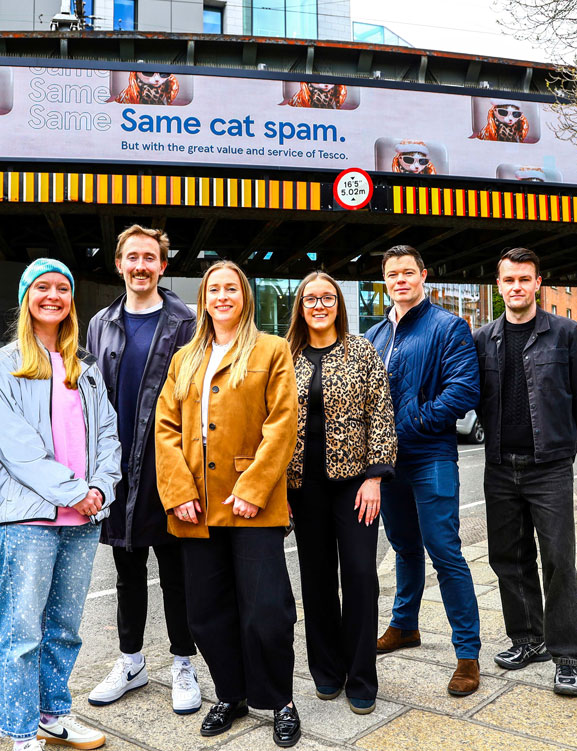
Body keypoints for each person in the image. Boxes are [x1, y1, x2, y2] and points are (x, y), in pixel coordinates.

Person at [154, 261, 301, 747]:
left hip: (252, 506)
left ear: (245, 297)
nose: (222, 296)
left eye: (230, 288)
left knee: (267, 611)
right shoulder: (184, 358)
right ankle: (231, 695)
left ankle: (280, 700)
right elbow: (165, 429)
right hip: (196, 508)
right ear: (203, 299)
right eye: (213, 289)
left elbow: (282, 425)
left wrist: (253, 488)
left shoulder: (272, 350)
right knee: (206, 612)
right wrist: (178, 492)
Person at [0, 258, 121, 751]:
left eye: (62, 288)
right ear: (27, 298)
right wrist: (75, 492)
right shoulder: (6, 364)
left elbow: (108, 435)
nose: (53, 296)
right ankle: (22, 733)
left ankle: (53, 716)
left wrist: (100, 488)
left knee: (64, 628)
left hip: (82, 518)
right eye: (42, 287)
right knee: (22, 632)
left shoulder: (84, 367)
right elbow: (14, 446)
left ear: (71, 301)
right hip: (27, 518)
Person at [85, 225, 201, 714]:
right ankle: (131, 662)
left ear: (162, 265)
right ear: (118, 264)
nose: (140, 266)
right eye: (132, 257)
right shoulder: (100, 323)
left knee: (177, 573)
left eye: (149, 258)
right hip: (117, 468)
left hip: (168, 465)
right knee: (126, 570)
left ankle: (183, 663)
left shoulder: (186, 322)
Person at [474, 247, 577, 697]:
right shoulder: (483, 338)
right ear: (498, 285)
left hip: (549, 467)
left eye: (525, 279)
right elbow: (479, 399)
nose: (517, 287)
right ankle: (528, 639)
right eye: (509, 280)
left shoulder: (566, 333)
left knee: (559, 561)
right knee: (508, 558)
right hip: (500, 466)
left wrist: (562, 451)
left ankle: (567, 657)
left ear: (538, 283)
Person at [364, 245, 482, 697]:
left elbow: (464, 390)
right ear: (385, 280)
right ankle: (404, 625)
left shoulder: (448, 326)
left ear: (423, 276)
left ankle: (467, 655)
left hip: (431, 454)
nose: (400, 280)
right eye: (392, 274)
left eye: (408, 272)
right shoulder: (374, 335)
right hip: (387, 462)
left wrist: (412, 422)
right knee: (404, 547)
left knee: (444, 550)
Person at [284, 272, 397, 716]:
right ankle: (327, 672)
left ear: (338, 304)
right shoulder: (285, 355)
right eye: (311, 299)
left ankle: (361, 677)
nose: (319, 305)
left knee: (360, 577)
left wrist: (375, 477)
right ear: (300, 305)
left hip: (355, 486)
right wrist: (276, 487)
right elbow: (269, 420)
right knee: (316, 582)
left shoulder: (361, 351)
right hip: (302, 487)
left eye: (327, 298)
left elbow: (381, 414)